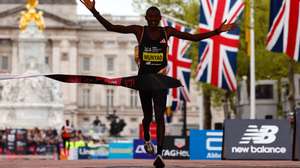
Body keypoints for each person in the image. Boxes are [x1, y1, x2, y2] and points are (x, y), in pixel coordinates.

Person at [80, 1, 236, 167]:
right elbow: (110, 27)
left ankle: (160, 155)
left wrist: (218, 31)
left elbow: (194, 38)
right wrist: (94, 11)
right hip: (143, 80)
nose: (153, 20)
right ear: (146, 18)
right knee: (147, 117)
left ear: (160, 18)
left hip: (160, 80)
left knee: (160, 115)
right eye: (151, 17)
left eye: (156, 17)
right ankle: (147, 138)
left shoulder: (167, 32)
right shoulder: (139, 30)